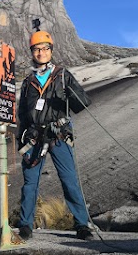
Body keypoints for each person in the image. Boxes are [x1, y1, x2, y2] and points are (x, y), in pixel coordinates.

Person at [17, 30, 93, 241]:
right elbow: (22, 114)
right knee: (29, 183)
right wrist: (20, 140)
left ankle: (82, 225)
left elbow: (82, 103)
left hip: (59, 135)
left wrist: (71, 94)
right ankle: (25, 225)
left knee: (69, 180)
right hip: (33, 136)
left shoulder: (62, 75)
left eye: (45, 48)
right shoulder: (28, 82)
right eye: (36, 49)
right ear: (32, 52)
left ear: (51, 50)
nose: (41, 52)